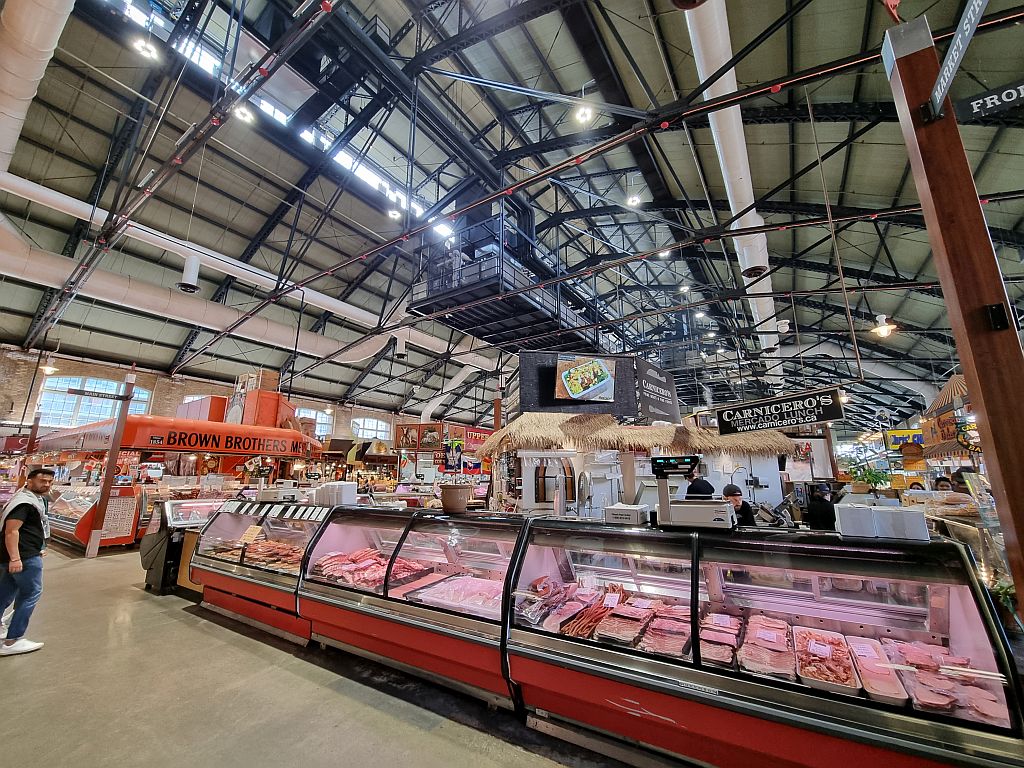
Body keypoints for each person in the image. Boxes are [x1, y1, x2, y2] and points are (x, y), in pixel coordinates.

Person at [0, 467, 55, 656]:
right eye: (42, 481)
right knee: (31, 594)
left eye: (49, 482)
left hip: (17, 555)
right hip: (23, 557)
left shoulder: (26, 497)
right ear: (29, 481)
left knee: (5, 593)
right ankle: (13, 640)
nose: (46, 485)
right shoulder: (24, 503)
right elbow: (11, 531)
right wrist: (15, 558)